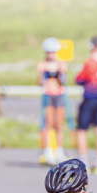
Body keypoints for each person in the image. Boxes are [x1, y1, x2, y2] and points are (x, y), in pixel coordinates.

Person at [74, 35, 97, 175]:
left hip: (89, 96)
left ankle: (83, 161)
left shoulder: (91, 61)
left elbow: (80, 78)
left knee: (82, 130)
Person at [37, 37, 69, 165]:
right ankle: (48, 151)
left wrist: (59, 71)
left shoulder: (61, 64)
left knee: (58, 124)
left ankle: (59, 151)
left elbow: (64, 81)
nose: (51, 55)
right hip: (47, 95)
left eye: (52, 52)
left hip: (59, 95)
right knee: (48, 124)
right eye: (48, 52)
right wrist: (44, 73)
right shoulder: (42, 65)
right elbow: (39, 82)